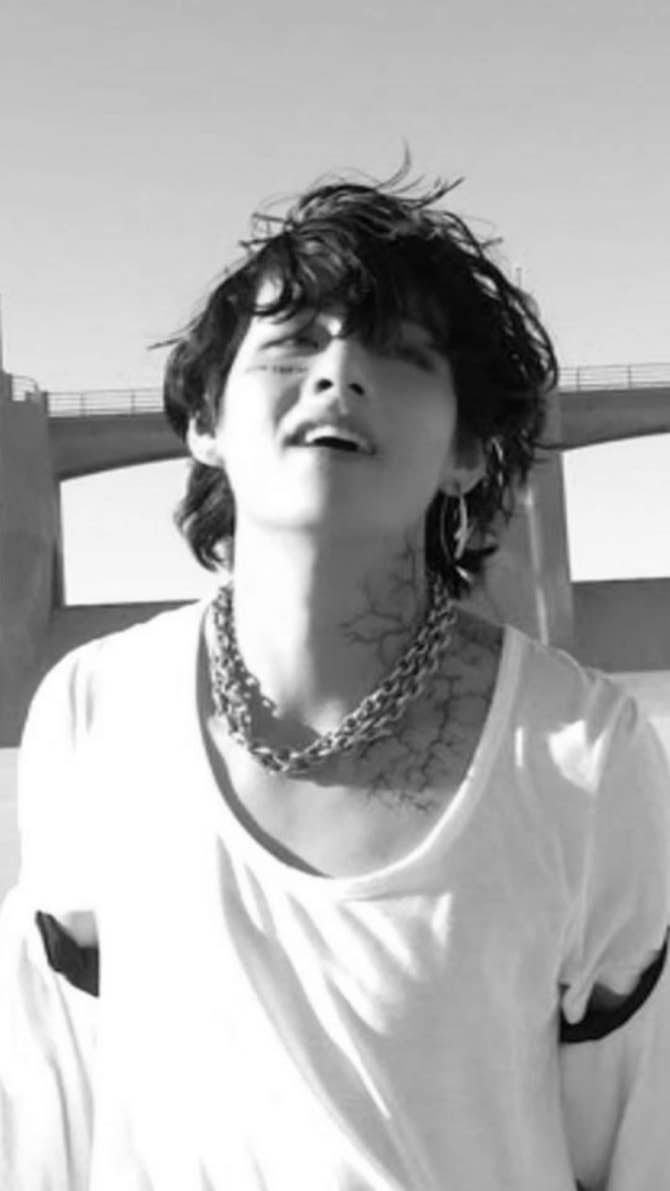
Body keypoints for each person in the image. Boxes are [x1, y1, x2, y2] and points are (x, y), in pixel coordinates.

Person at [1, 157, 669, 1190]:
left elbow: (632, 1138)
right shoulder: (92, 712)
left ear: (467, 453)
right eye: (292, 342)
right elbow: (52, 1102)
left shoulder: (581, 752)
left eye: (402, 354)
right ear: (205, 423)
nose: (341, 371)